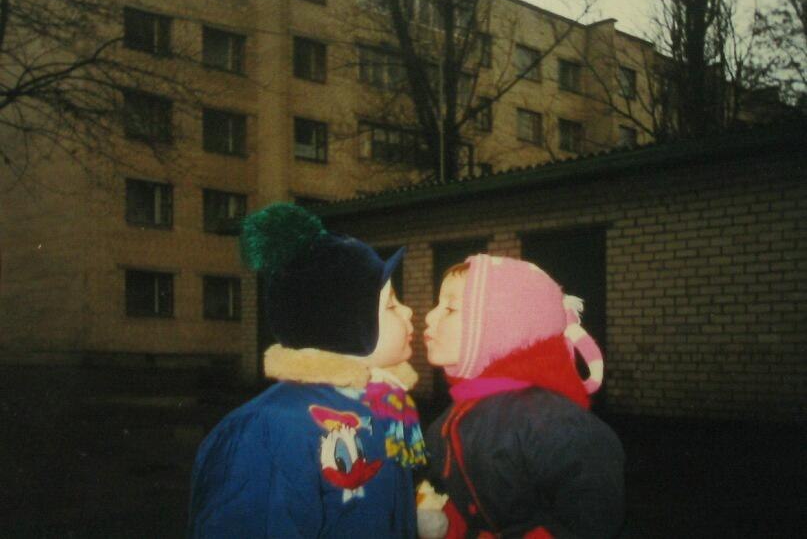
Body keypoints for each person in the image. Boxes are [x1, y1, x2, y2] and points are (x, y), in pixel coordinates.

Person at [188, 203, 426, 538]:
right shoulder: (269, 428)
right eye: (390, 304)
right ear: (343, 322)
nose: (409, 312)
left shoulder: (386, 403)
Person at [419, 255, 625, 538]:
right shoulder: (451, 417)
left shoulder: (552, 422)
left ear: (502, 328)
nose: (429, 317)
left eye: (450, 308)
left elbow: (592, 515)